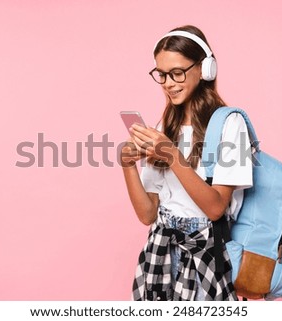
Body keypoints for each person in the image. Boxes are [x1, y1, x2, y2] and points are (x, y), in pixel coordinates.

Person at [120, 25, 253, 301]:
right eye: (162, 74)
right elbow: (147, 214)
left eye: (177, 72)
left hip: (206, 253)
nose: (169, 83)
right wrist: (127, 165)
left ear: (206, 70)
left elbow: (216, 208)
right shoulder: (165, 127)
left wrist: (171, 155)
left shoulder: (230, 124)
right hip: (160, 250)